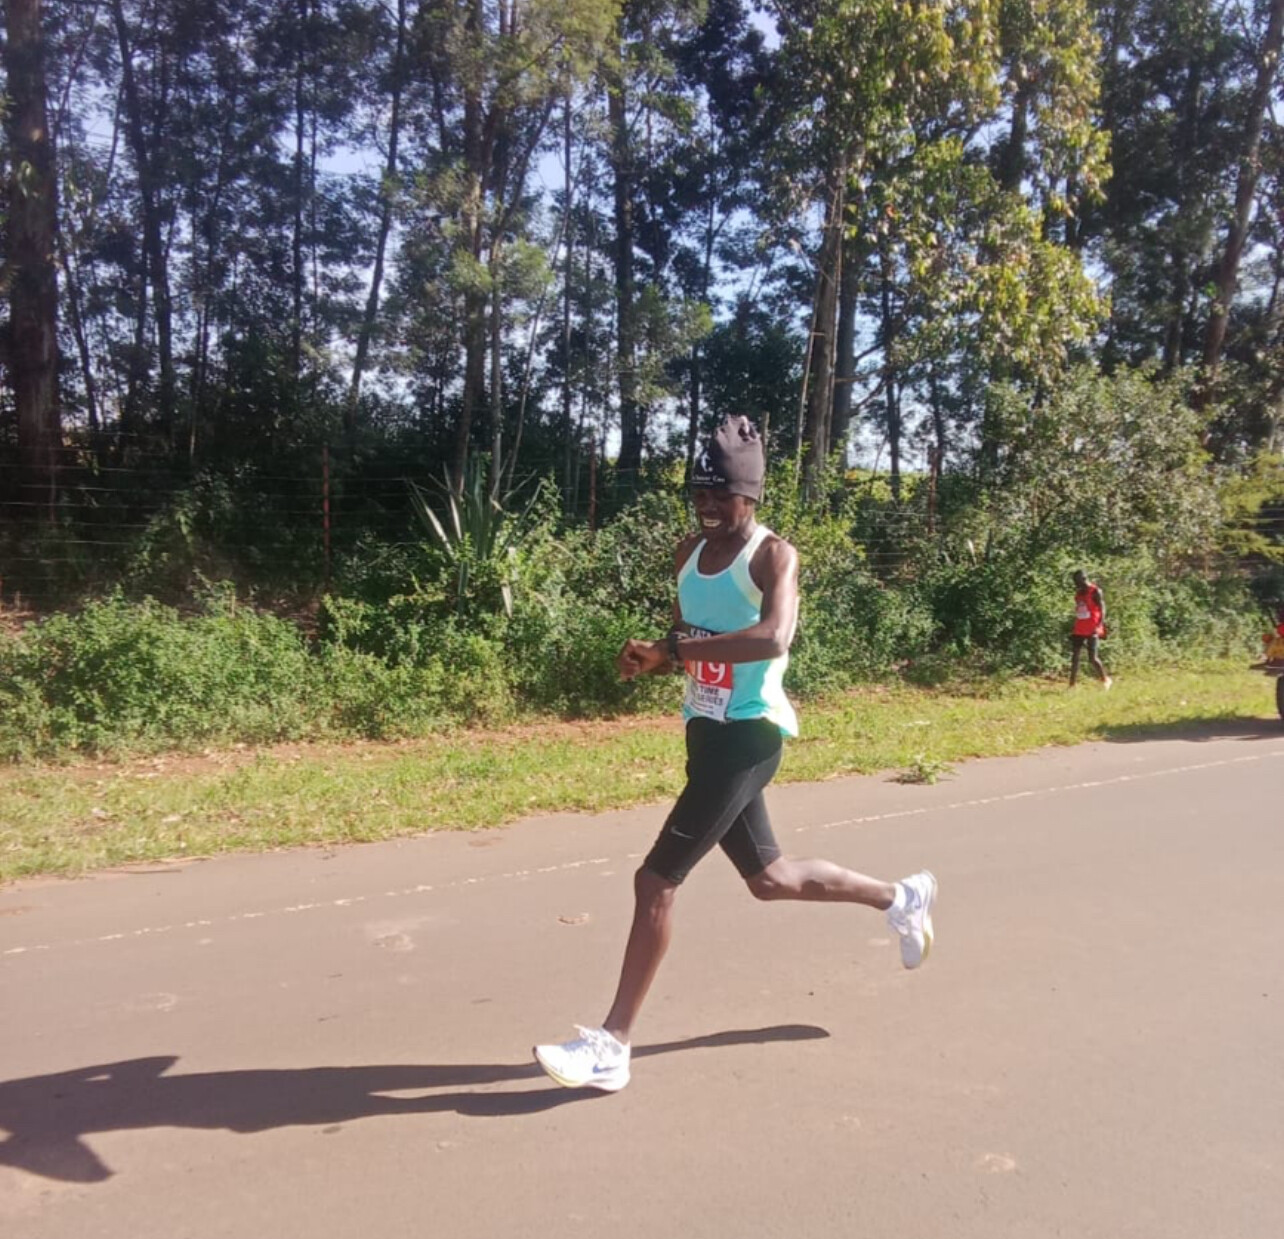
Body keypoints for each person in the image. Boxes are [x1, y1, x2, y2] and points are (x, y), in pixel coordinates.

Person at [533, 416, 938, 1093]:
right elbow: (694, 638)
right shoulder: (687, 552)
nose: (708, 505)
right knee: (770, 879)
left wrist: (677, 649)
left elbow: (773, 636)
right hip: (706, 732)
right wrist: (658, 657)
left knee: (655, 881)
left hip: (750, 736)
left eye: (722, 494)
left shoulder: (773, 556)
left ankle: (612, 1045)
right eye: (699, 492)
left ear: (750, 494)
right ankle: (901, 898)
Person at [1069, 569, 1112, 689]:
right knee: (1075, 657)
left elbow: (1102, 608)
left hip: (1092, 627)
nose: (1075, 584)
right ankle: (1072, 685)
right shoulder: (1079, 593)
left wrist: (1100, 625)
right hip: (1079, 627)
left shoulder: (1095, 591)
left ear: (1083, 579)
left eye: (1077, 581)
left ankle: (1105, 679)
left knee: (1092, 658)